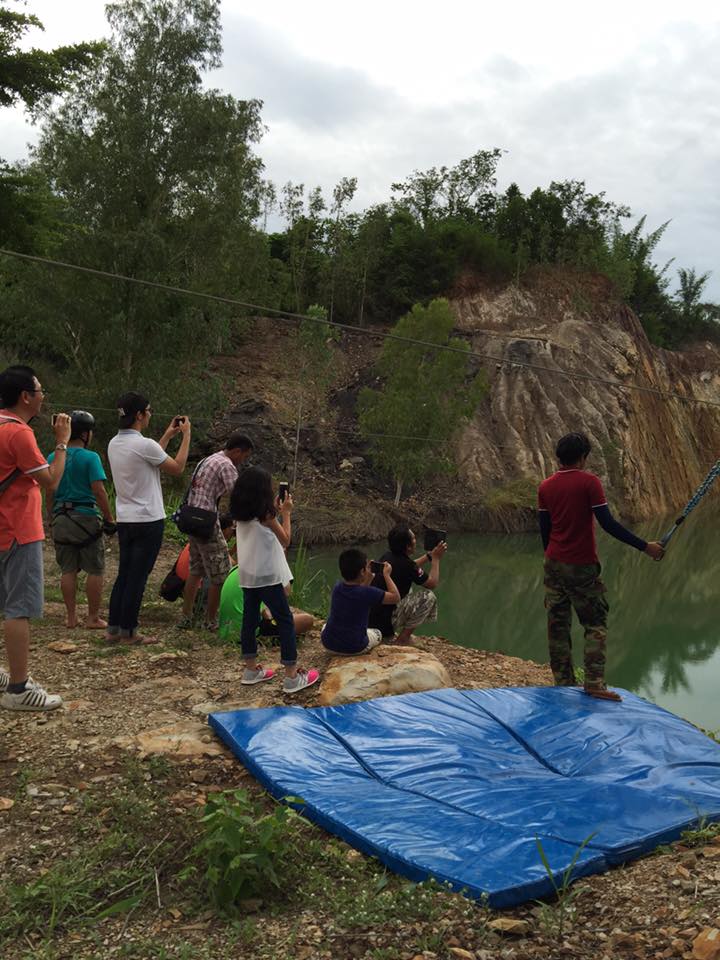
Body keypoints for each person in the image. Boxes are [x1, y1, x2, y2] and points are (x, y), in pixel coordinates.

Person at [538, 431, 664, 703]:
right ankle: (594, 683)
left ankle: (563, 682)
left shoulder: (545, 486)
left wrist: (552, 558)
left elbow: (545, 531)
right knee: (595, 623)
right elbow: (608, 524)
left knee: (557, 625)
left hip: (552, 563)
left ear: (559, 457)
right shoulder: (589, 482)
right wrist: (645, 546)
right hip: (581, 564)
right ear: (583, 457)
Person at [0, 365, 71, 711]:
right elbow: (52, 480)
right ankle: (18, 689)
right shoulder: (18, 433)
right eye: (40, 390)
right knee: (18, 609)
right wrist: (62, 441)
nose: (43, 396)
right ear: (26, 396)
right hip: (18, 530)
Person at [106, 393, 191, 644]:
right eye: (149, 410)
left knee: (124, 574)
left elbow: (150, 458)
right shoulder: (144, 445)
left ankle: (114, 628)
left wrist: (167, 436)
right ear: (139, 415)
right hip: (148, 520)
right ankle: (129, 631)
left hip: (125, 518)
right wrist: (186, 435)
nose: (150, 414)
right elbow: (177, 467)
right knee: (138, 577)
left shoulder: (115, 443)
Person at [230, 466, 318, 694]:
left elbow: (263, 535)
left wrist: (277, 514)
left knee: (249, 621)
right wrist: (286, 513)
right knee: (285, 621)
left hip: (248, 575)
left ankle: (251, 670)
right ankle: (291, 676)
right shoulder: (267, 516)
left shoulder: (241, 515)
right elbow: (285, 540)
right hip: (268, 576)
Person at [46, 410, 115, 629]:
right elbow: (99, 490)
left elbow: (49, 491)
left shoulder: (53, 457)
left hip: (61, 516)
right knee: (95, 569)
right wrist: (109, 518)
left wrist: (50, 517)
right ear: (85, 434)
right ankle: (93, 617)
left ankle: (71, 617)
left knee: (67, 569)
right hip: (86, 518)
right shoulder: (91, 457)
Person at [178, 433, 254, 631]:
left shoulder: (207, 460)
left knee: (196, 570)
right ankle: (210, 621)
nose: (243, 461)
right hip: (206, 524)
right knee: (220, 575)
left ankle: (186, 617)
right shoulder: (226, 465)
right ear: (237, 451)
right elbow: (238, 495)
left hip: (191, 519)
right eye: (244, 456)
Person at [368, 523, 446, 644]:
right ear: (408, 547)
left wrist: (428, 556)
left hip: (372, 620)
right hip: (386, 623)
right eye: (413, 538)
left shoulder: (387, 556)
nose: (416, 540)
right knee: (428, 597)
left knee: (408, 590)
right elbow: (432, 583)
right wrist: (436, 559)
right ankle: (403, 638)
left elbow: (410, 567)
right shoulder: (407, 565)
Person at [322, 548, 400, 656]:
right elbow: (396, 597)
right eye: (366, 568)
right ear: (362, 571)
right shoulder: (368, 593)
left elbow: (358, 592)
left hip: (328, 644)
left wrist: (368, 578)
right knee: (377, 633)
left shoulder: (337, 587)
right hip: (354, 648)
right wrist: (387, 575)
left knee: (326, 626)